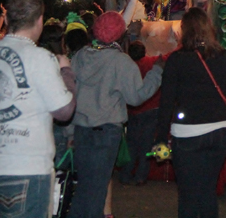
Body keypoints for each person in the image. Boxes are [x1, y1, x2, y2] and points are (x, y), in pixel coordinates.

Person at [0, 0, 76, 218]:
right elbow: (64, 111)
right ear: (40, 20)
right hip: (27, 170)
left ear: (8, 18)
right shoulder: (40, 57)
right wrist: (66, 72)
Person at [69, 11, 164, 218]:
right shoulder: (121, 62)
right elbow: (136, 97)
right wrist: (156, 73)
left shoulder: (80, 56)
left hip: (81, 129)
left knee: (84, 186)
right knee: (97, 189)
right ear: (121, 35)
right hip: (106, 132)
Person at [155, 8, 226, 218]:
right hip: (220, 131)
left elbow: (166, 103)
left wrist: (160, 139)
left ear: (184, 31)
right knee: (208, 190)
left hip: (188, 133)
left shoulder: (176, 60)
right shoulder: (224, 57)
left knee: (188, 194)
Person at [119, 41, 164, 186]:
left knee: (131, 144)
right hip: (152, 109)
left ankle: (126, 174)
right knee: (146, 144)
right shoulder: (152, 63)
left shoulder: (127, 67)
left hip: (133, 111)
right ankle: (140, 176)